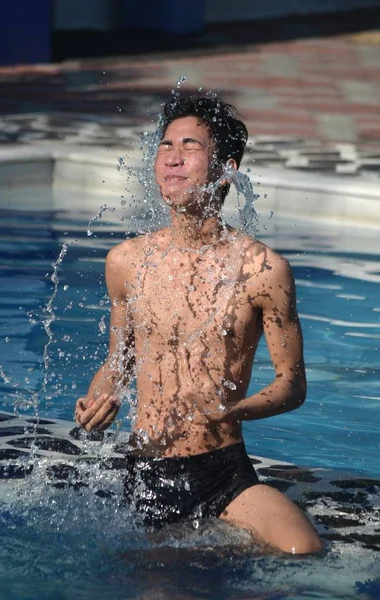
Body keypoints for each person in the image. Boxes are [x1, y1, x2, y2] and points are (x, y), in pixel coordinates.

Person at [75, 95, 323, 554]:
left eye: (190, 145)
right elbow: (118, 361)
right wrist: (96, 402)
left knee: (302, 549)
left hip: (222, 471)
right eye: (165, 144)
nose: (172, 156)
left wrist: (233, 410)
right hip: (147, 473)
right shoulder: (126, 262)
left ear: (226, 168)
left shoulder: (263, 270)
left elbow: (292, 384)